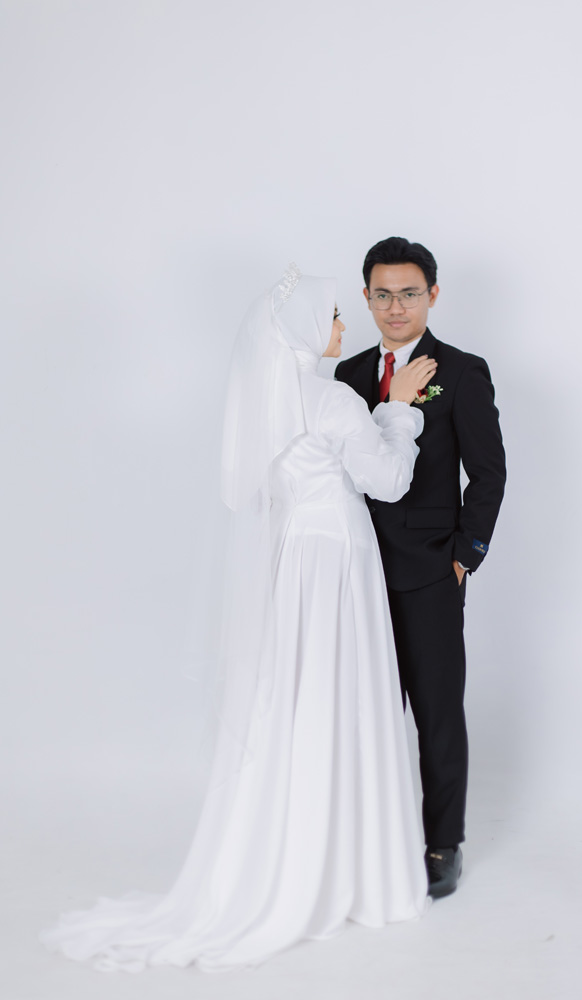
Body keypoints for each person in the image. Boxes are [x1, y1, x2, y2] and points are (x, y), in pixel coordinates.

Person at [39, 265, 434, 971]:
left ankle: (295, 853)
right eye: (333, 315)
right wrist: (397, 411)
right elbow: (388, 481)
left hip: (292, 557)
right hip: (337, 559)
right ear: (305, 328)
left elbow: (246, 491)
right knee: (340, 694)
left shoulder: (263, 403)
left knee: (296, 695)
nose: (343, 326)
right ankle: (352, 867)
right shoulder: (334, 398)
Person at [335, 238, 506, 898]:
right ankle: (369, 838)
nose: (395, 307)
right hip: (356, 569)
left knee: (436, 712)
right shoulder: (348, 373)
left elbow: (487, 473)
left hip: (432, 570)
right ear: (366, 297)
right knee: (365, 710)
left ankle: (442, 844)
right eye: (382, 294)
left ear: (432, 294)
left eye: (409, 293)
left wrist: (465, 556)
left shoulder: (460, 371)